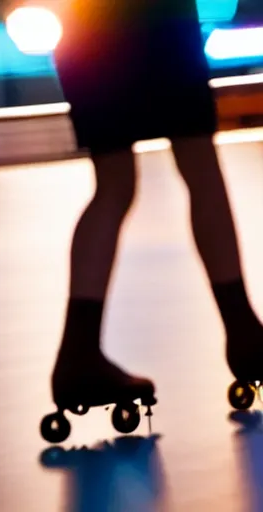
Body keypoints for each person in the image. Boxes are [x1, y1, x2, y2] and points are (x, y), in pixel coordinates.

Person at [50, 0, 263, 411]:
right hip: (154, 18)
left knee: (113, 183)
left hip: (84, 24)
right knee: (199, 163)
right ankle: (244, 332)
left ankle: (77, 356)